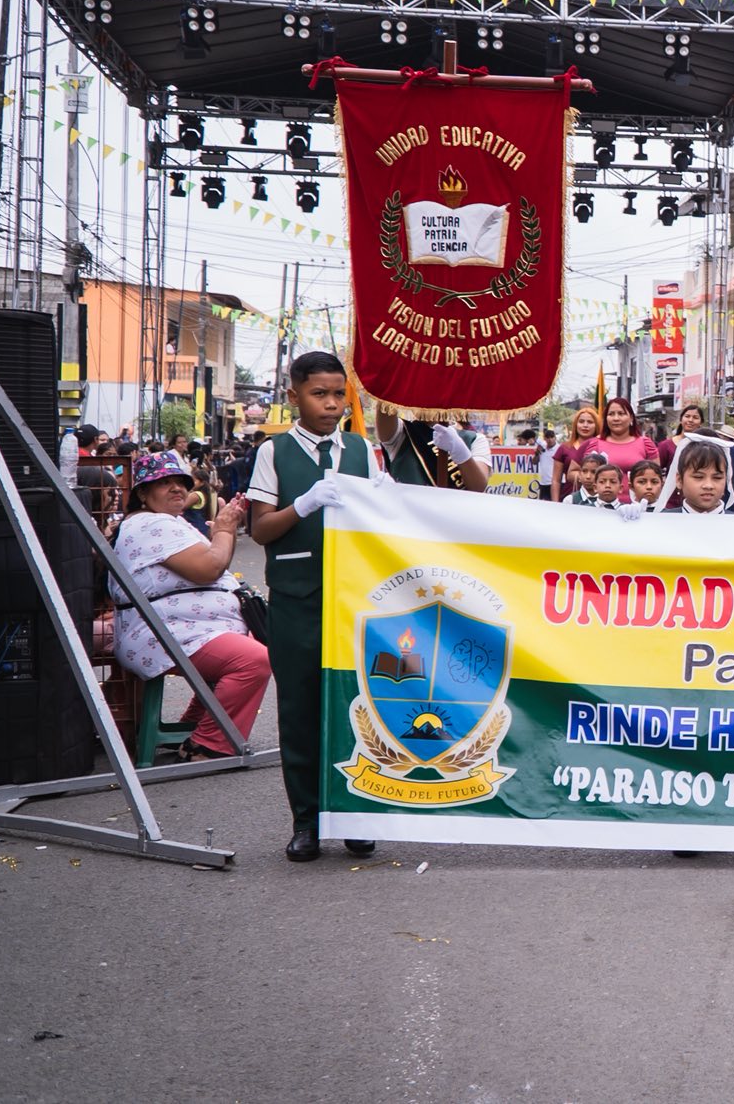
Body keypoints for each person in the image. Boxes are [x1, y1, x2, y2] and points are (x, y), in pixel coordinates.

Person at [246, 351, 381, 863]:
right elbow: (261, 529)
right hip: (297, 600)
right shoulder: (274, 451)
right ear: (294, 396)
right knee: (300, 711)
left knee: (355, 706)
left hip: (354, 602)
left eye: (338, 395)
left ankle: (355, 816)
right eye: (318, 394)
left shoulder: (361, 450)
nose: (330, 405)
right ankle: (306, 821)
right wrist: (302, 505)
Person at [108, 450, 271, 762]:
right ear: (142, 493)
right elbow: (210, 568)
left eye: (181, 482)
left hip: (181, 628)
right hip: (161, 633)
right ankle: (207, 744)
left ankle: (197, 724)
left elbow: (216, 566)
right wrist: (224, 530)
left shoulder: (166, 521)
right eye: (164, 483)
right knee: (253, 660)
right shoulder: (150, 524)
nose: (176, 488)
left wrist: (223, 531)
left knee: (252, 646)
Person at [377, 413, 490, 492]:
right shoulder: (402, 432)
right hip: (412, 517)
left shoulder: (474, 439)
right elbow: (385, 406)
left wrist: (459, 450)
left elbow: (478, 487)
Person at [584, 397, 655, 499]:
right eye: (611, 414)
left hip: (639, 505)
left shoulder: (646, 444)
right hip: (603, 505)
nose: (616, 418)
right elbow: (579, 472)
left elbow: (655, 477)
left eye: (621, 414)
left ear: (631, 418)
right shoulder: (595, 444)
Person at [553, 406, 601, 502]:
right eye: (581, 421)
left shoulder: (602, 447)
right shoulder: (564, 448)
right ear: (576, 425)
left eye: (590, 422)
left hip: (597, 500)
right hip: (568, 498)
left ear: (596, 425)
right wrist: (555, 503)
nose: (585, 425)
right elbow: (556, 480)